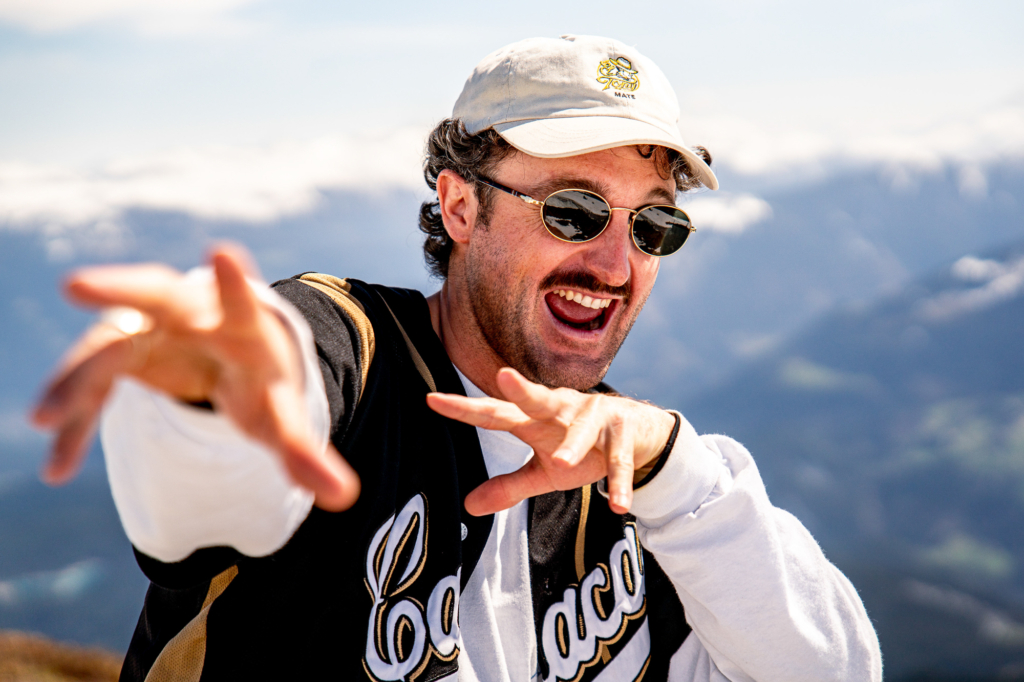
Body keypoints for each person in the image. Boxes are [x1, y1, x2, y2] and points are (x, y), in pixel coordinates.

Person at [32, 35, 882, 681]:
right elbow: (225, 475)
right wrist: (204, 403)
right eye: (574, 211)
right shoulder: (353, 356)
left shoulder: (642, 486)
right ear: (461, 206)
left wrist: (675, 469)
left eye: (654, 226)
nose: (617, 266)